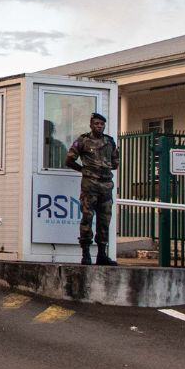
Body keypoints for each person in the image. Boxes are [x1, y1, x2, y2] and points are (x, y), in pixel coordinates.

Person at [63, 112, 119, 266]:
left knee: (104, 220)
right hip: (90, 185)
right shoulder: (83, 140)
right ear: (91, 124)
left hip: (106, 185)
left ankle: (102, 254)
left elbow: (115, 163)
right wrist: (84, 170)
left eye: (101, 124)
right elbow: (69, 160)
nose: (99, 126)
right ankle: (86, 254)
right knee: (87, 218)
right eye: (96, 124)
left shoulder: (109, 141)